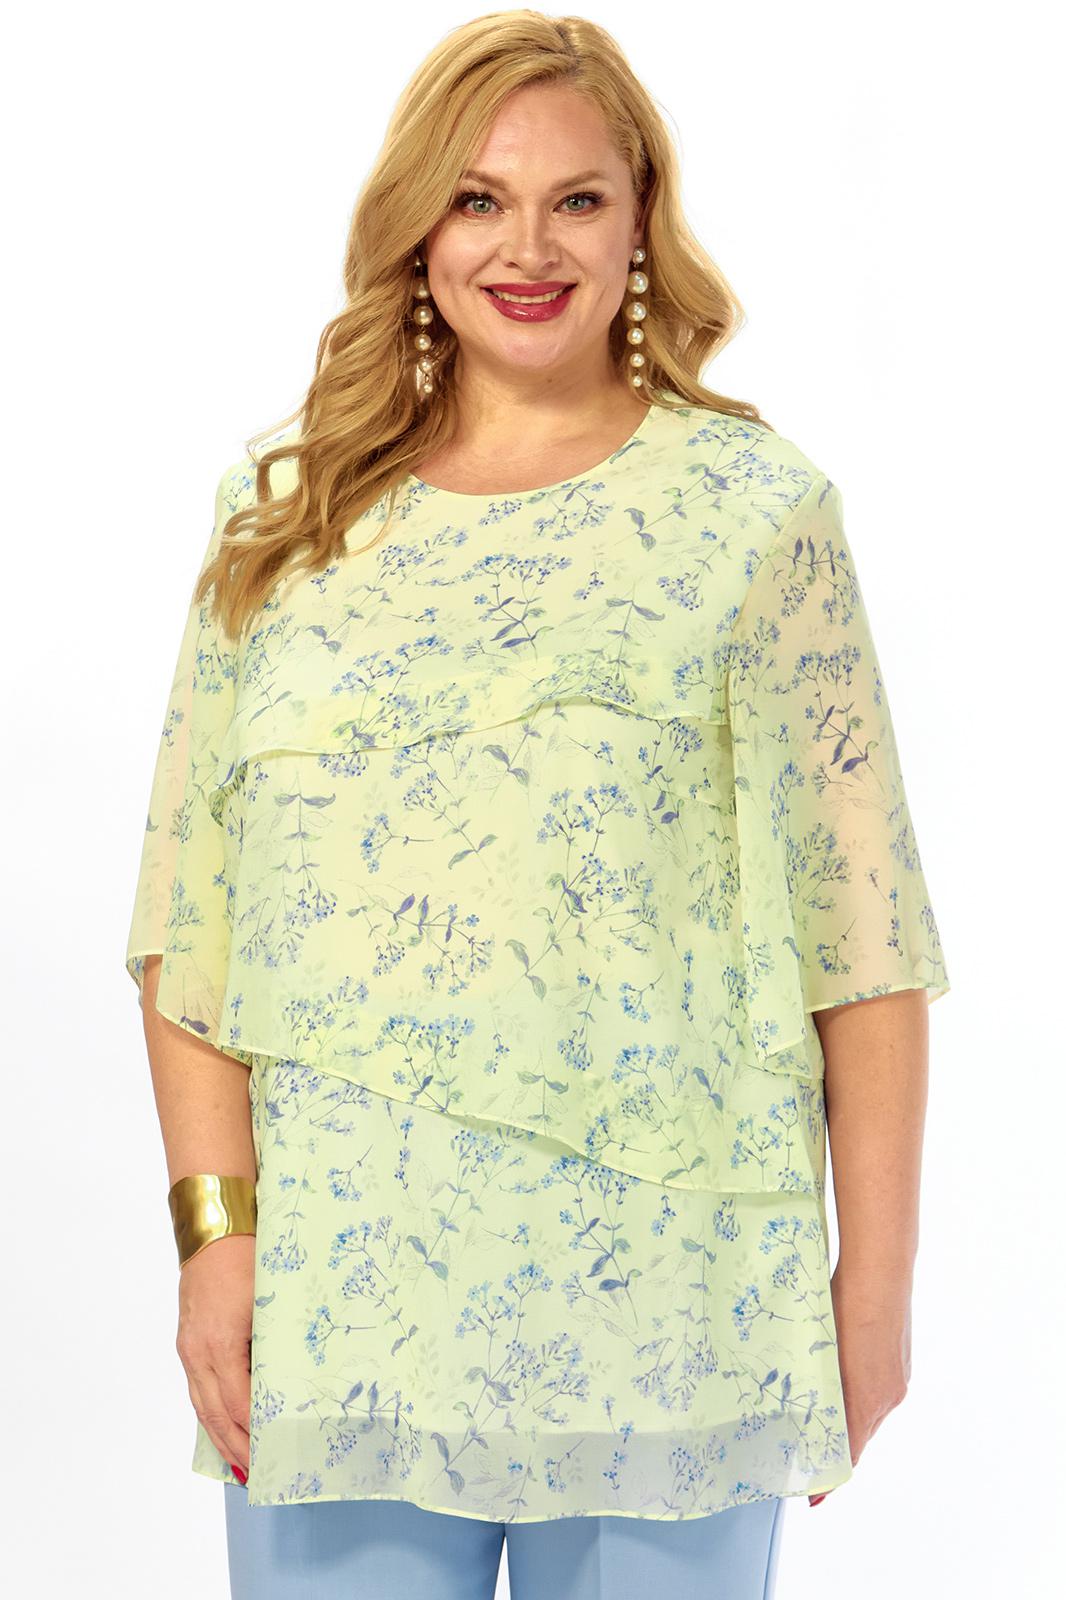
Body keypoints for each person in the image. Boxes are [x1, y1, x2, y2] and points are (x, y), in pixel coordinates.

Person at [123, 11, 951, 1599]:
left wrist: (875, 1289)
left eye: (576, 199)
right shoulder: (282, 521)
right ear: (416, 228)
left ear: (641, 221)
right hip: (345, 1299)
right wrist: (215, 1237)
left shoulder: (751, 516)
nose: (526, 247)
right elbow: (187, 920)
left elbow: (866, 941)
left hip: (676, 1295)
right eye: (477, 199)